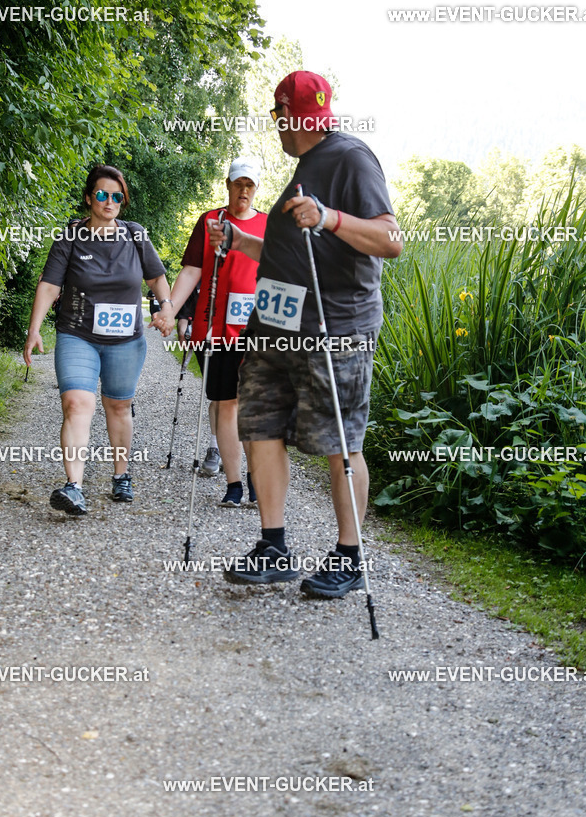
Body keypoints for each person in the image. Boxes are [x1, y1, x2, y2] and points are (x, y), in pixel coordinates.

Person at [209, 71, 403, 597]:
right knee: (260, 427)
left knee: (340, 442)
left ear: (293, 117)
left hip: (333, 328)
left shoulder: (350, 158)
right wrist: (238, 240)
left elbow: (390, 239)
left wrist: (331, 217)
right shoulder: (304, 168)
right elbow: (285, 251)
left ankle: (350, 556)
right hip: (276, 327)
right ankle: (274, 546)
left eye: (280, 119)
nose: (279, 129)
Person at [23, 164, 174, 515]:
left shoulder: (136, 235)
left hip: (125, 340)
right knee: (77, 404)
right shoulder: (71, 236)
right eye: (102, 194)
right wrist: (34, 329)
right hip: (78, 335)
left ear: (123, 201)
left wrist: (166, 307)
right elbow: (49, 285)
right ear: (90, 198)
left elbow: (157, 279)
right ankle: (73, 487)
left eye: (117, 196)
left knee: (118, 407)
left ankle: (121, 475)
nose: (109, 201)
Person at [153, 157, 267, 507]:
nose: (243, 190)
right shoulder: (210, 221)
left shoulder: (268, 224)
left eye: (249, 185)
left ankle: (256, 478)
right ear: (228, 184)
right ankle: (234, 484)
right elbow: (190, 272)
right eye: (238, 184)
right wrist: (168, 308)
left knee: (252, 406)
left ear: (256, 188)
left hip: (256, 329)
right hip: (215, 330)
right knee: (225, 403)